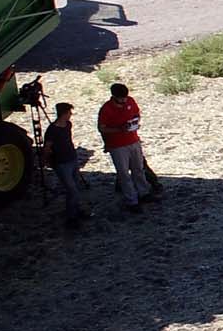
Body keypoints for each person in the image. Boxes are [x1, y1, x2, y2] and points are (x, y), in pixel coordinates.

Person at [99, 82, 158, 212]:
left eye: (125, 97)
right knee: (124, 173)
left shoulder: (130, 101)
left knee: (139, 168)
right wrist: (119, 129)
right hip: (117, 145)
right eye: (121, 98)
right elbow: (102, 128)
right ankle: (132, 200)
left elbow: (137, 114)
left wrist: (135, 122)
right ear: (114, 96)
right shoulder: (106, 109)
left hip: (133, 140)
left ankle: (144, 193)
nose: (124, 100)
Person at [45, 101, 88, 226]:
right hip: (61, 162)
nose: (70, 115)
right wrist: (48, 161)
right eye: (69, 112)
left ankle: (76, 211)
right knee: (71, 190)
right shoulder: (52, 130)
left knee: (75, 187)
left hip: (72, 159)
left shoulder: (68, 125)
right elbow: (47, 147)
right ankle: (71, 217)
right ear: (64, 114)